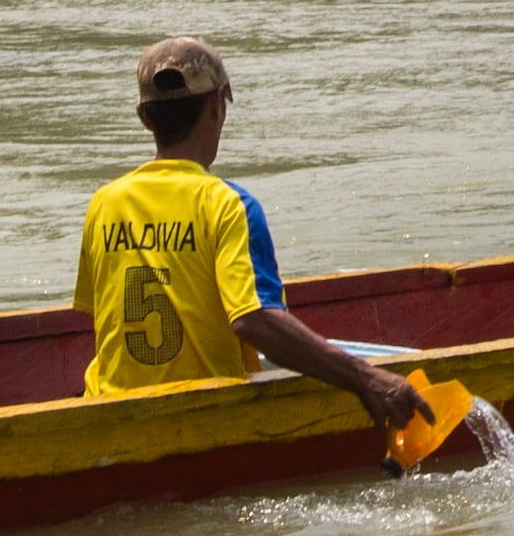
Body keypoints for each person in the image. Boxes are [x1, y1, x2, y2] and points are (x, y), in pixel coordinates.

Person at [75, 37, 428, 439]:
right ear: (217, 107)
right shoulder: (228, 204)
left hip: (109, 412)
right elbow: (254, 320)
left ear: (144, 117)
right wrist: (368, 378)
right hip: (200, 418)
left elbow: (99, 315)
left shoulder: (104, 203)